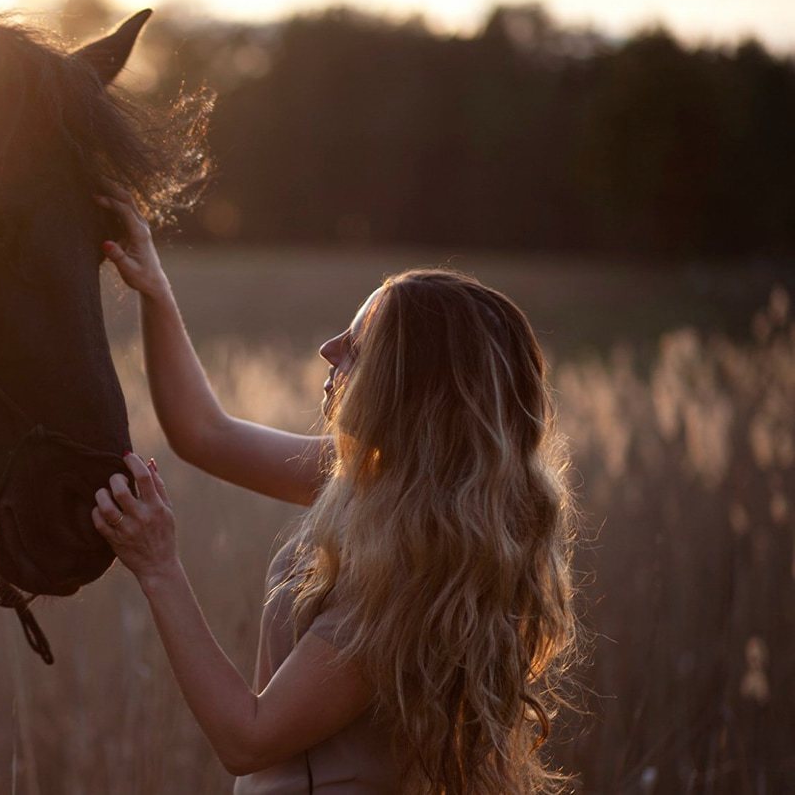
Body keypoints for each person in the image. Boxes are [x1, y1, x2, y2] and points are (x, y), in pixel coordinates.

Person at [90, 190, 578, 795]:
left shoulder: (410, 568)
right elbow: (204, 432)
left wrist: (159, 566)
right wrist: (155, 288)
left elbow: (247, 737)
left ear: (408, 389)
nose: (329, 350)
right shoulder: (374, 483)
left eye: (359, 346)